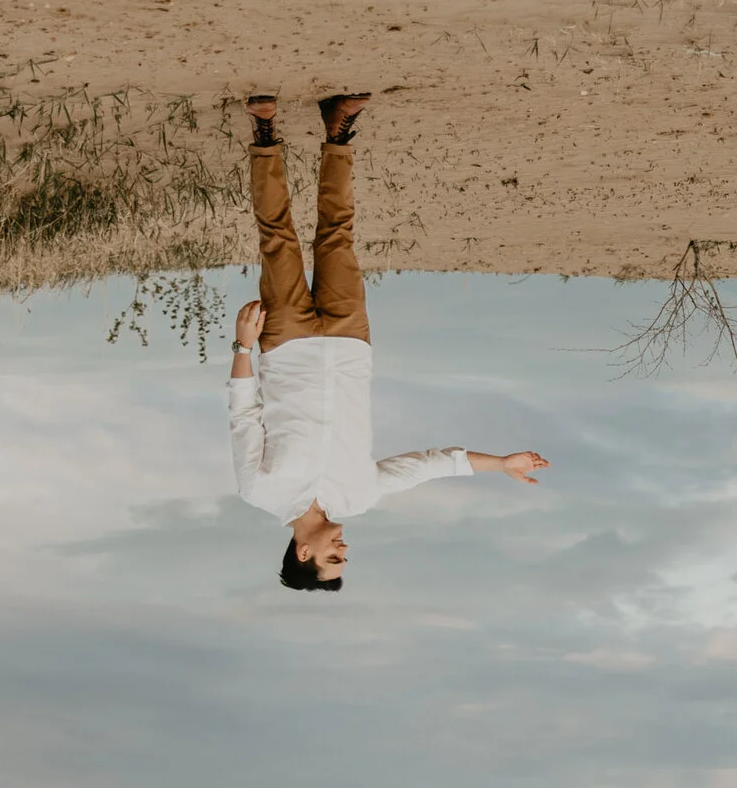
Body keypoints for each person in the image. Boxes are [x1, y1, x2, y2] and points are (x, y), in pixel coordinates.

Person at [228, 92, 549, 591]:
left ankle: (266, 137)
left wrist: (243, 347)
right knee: (338, 237)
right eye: (345, 560)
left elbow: (244, 415)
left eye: (334, 560)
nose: (345, 552)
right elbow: (432, 465)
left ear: (303, 552)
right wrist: (500, 464)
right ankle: (337, 134)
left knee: (278, 239)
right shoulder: (360, 496)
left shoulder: (260, 491)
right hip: (349, 342)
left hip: (285, 344)